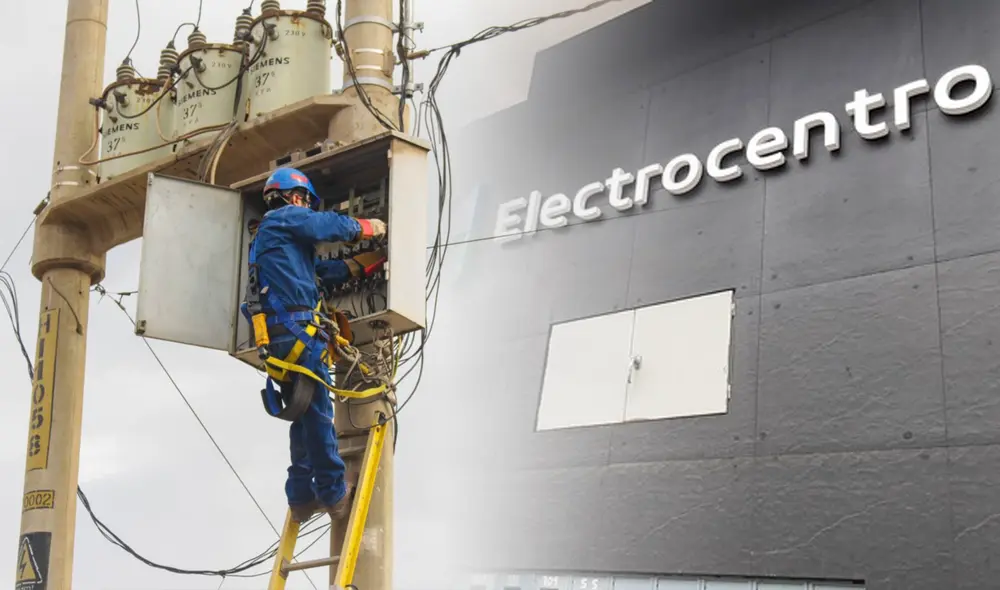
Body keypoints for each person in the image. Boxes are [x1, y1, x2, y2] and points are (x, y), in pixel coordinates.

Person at [248, 167, 387, 523]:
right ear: (294, 197)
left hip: (282, 337)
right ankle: (332, 492)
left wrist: (367, 263)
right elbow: (327, 227)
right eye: (305, 202)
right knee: (321, 416)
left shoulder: (279, 247)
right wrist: (369, 228)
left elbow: (322, 276)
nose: (306, 208)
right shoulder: (282, 218)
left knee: (305, 415)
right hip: (298, 334)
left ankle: (300, 498)